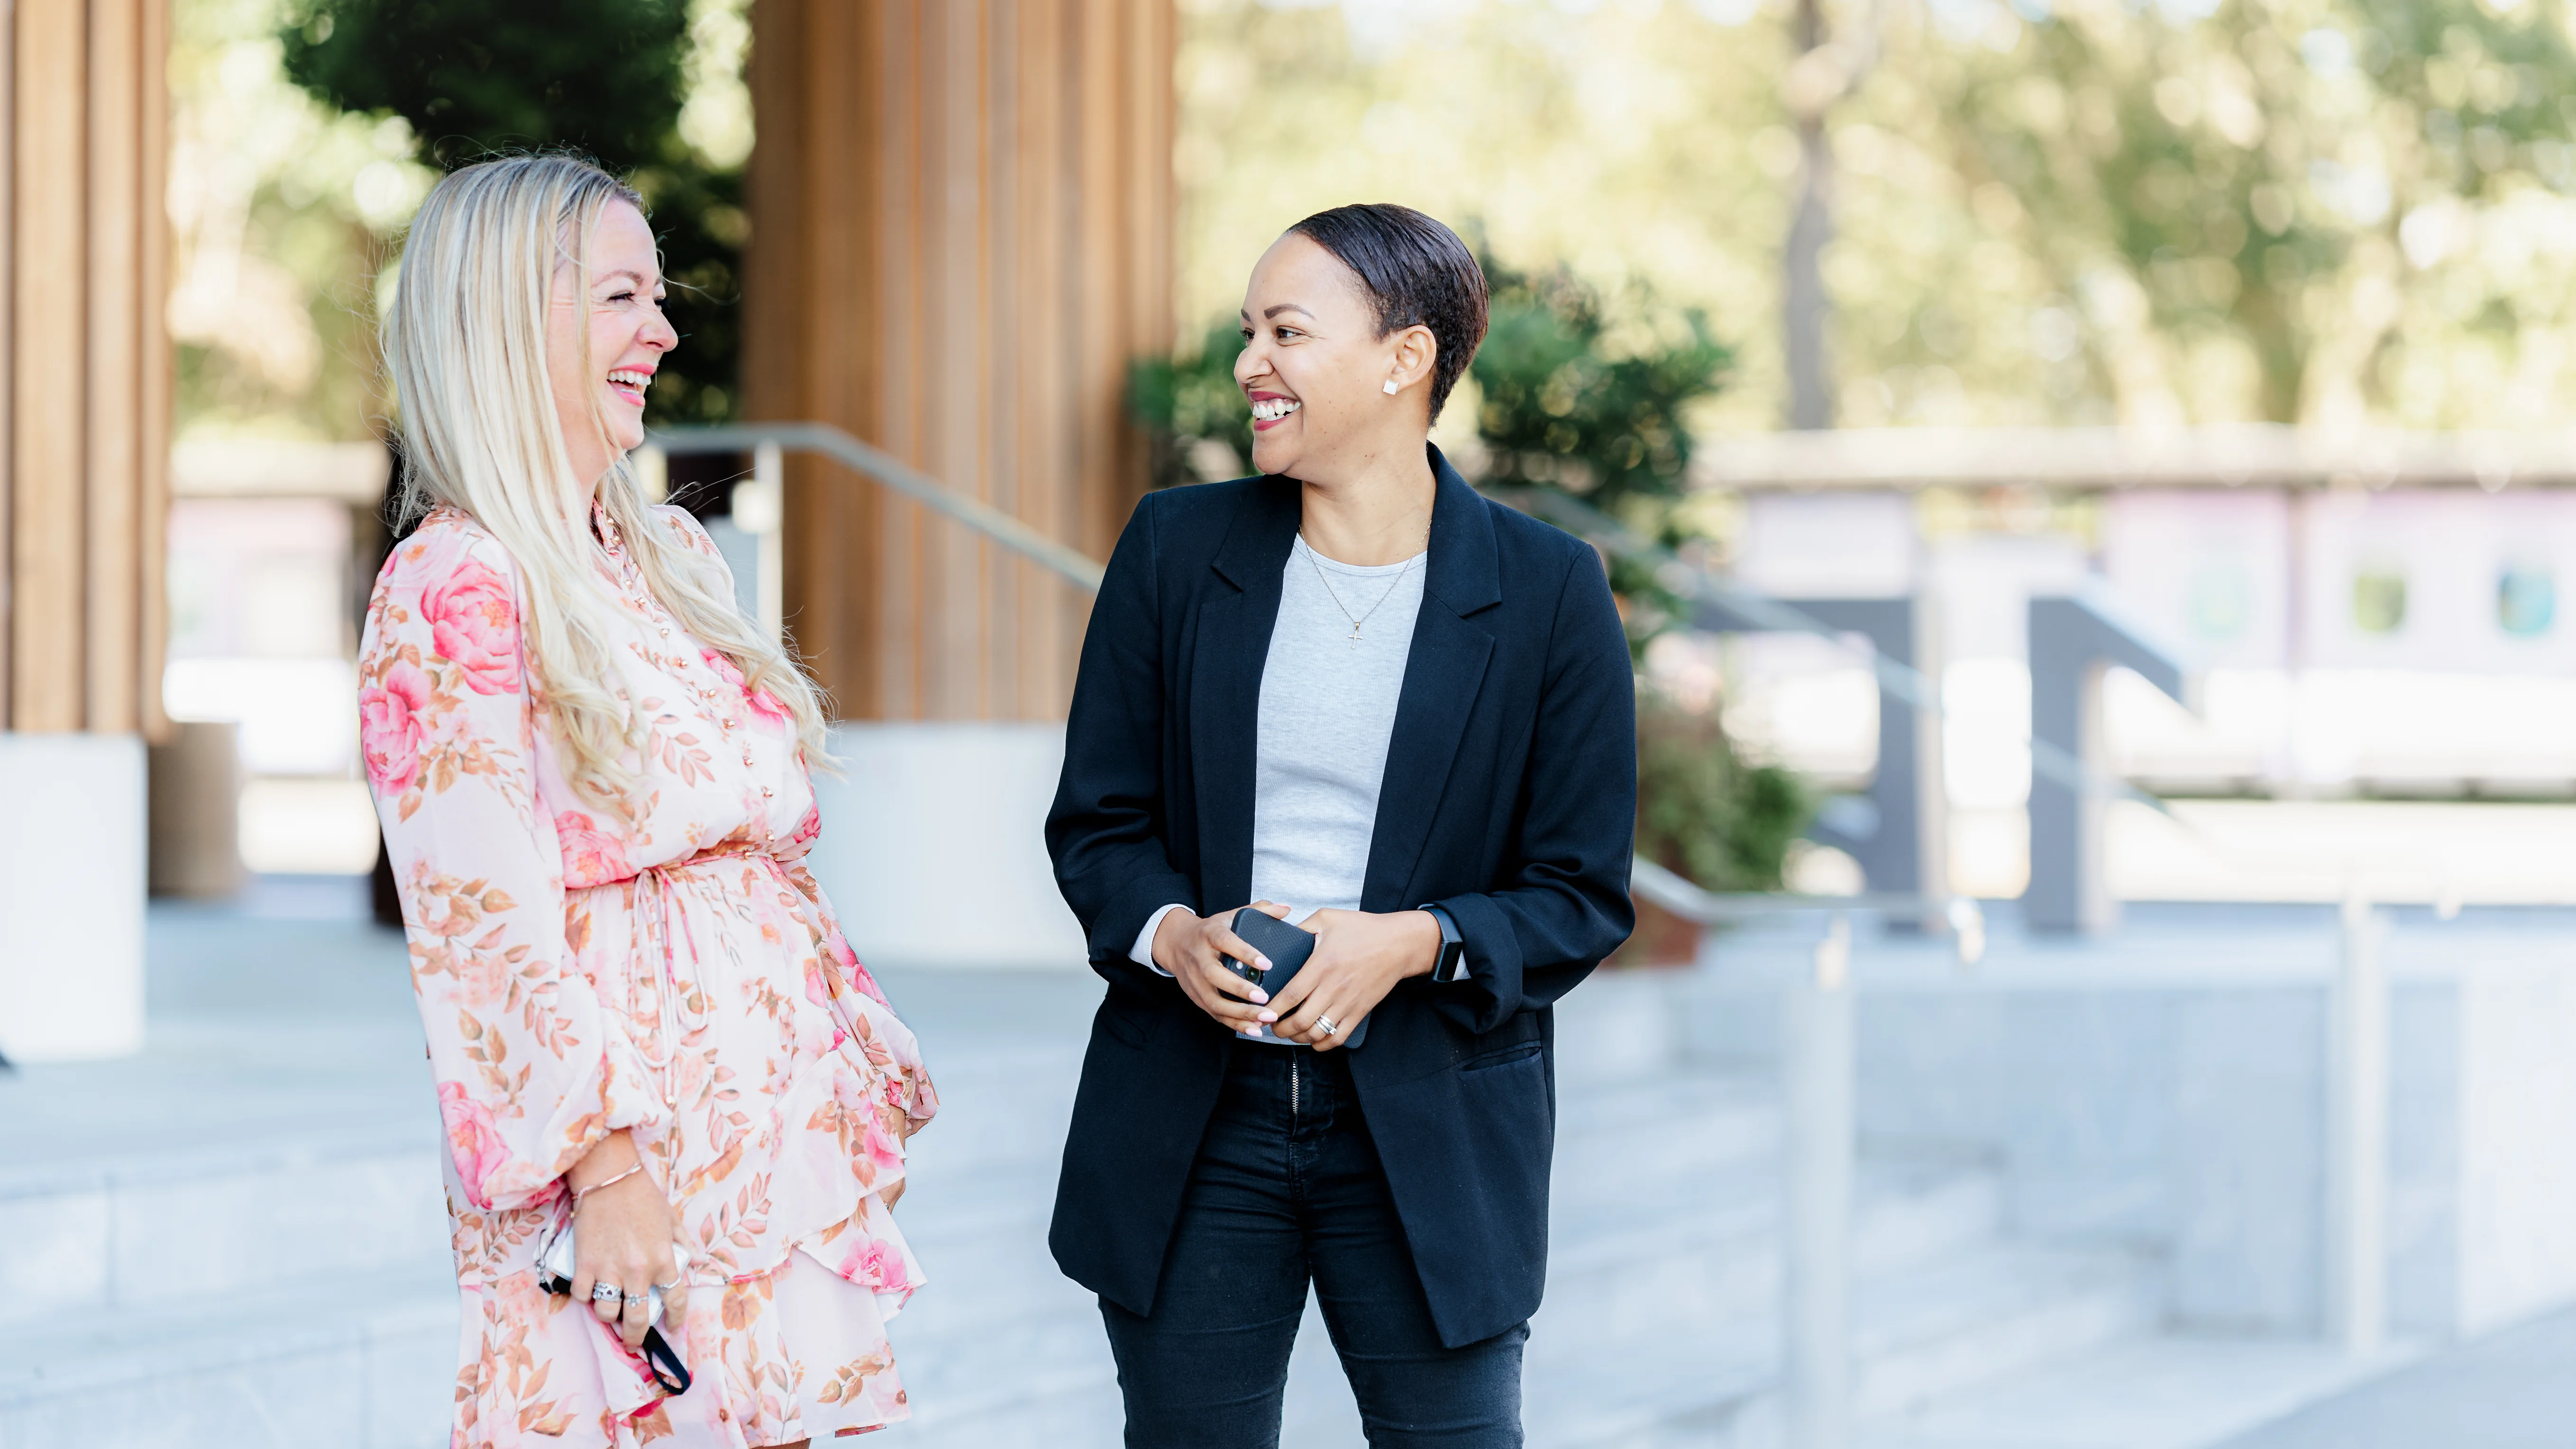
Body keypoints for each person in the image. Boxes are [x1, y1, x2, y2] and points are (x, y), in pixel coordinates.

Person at [359, 153, 935, 1447]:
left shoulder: (668, 554)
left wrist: (851, 1040)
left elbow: (765, 855)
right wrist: (606, 1172)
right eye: (623, 297)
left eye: (658, 297)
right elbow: (480, 926)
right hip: (625, 1155)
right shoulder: (454, 583)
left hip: (770, 1122)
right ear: (509, 320)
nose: (664, 333)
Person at [1044, 203, 1637, 1446]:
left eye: (1287, 332)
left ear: (1405, 357)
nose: (1249, 364)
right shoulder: (1172, 549)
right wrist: (1171, 934)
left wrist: (1413, 941)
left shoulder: (1548, 590)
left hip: (1432, 1132)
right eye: (1248, 331)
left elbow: (1580, 893)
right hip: (1194, 1122)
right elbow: (1099, 823)